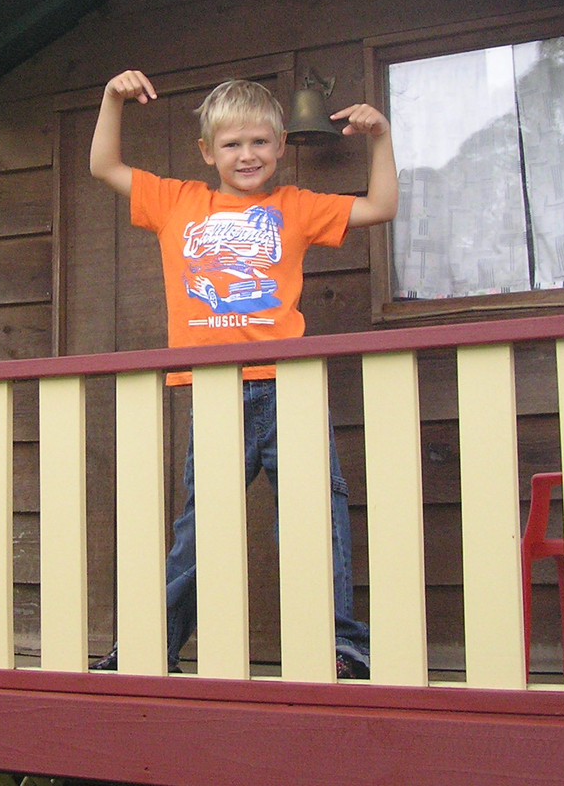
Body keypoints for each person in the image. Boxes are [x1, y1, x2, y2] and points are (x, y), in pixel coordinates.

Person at [86, 70, 398, 680]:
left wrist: (380, 140)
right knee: (199, 528)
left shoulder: (297, 208)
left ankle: (341, 647)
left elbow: (381, 206)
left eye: (259, 142)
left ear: (281, 146)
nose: (246, 155)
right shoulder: (178, 201)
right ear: (207, 152)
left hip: (290, 388)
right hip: (216, 389)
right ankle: (154, 644)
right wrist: (110, 98)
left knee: (315, 516)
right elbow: (104, 166)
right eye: (231, 144)